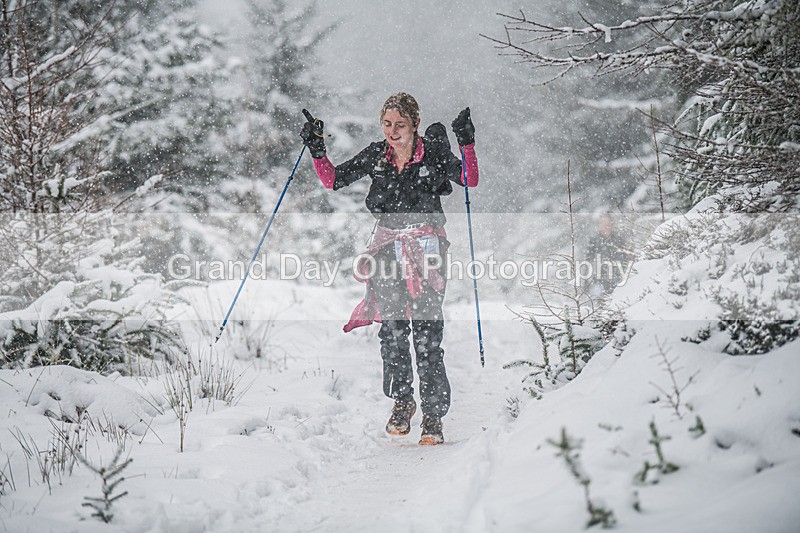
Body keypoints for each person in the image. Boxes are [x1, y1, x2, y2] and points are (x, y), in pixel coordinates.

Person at [300, 93, 479, 445]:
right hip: (385, 249)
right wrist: (317, 150)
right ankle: (402, 402)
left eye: (400, 125)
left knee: (427, 334)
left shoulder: (434, 154)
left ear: (415, 123)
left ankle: (433, 416)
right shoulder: (376, 155)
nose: (393, 132)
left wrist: (467, 143)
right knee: (393, 332)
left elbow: (468, 179)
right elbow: (333, 180)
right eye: (387, 125)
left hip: (427, 248)